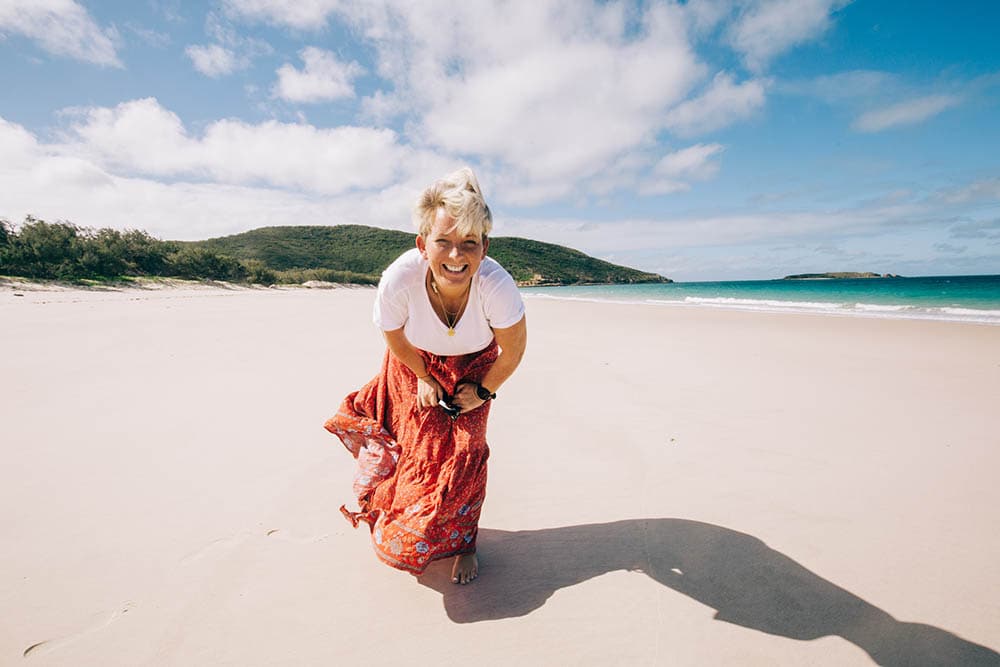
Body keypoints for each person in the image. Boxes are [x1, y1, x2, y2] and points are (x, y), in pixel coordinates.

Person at [325, 167, 527, 584]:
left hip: (475, 366)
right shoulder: (400, 278)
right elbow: (393, 335)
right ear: (423, 245)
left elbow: (515, 349)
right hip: (412, 361)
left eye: (469, 243)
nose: (457, 256)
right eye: (444, 242)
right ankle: (404, 517)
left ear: (484, 247)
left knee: (466, 455)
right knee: (418, 453)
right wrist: (422, 375)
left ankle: (464, 544)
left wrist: (485, 389)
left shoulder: (497, 286)